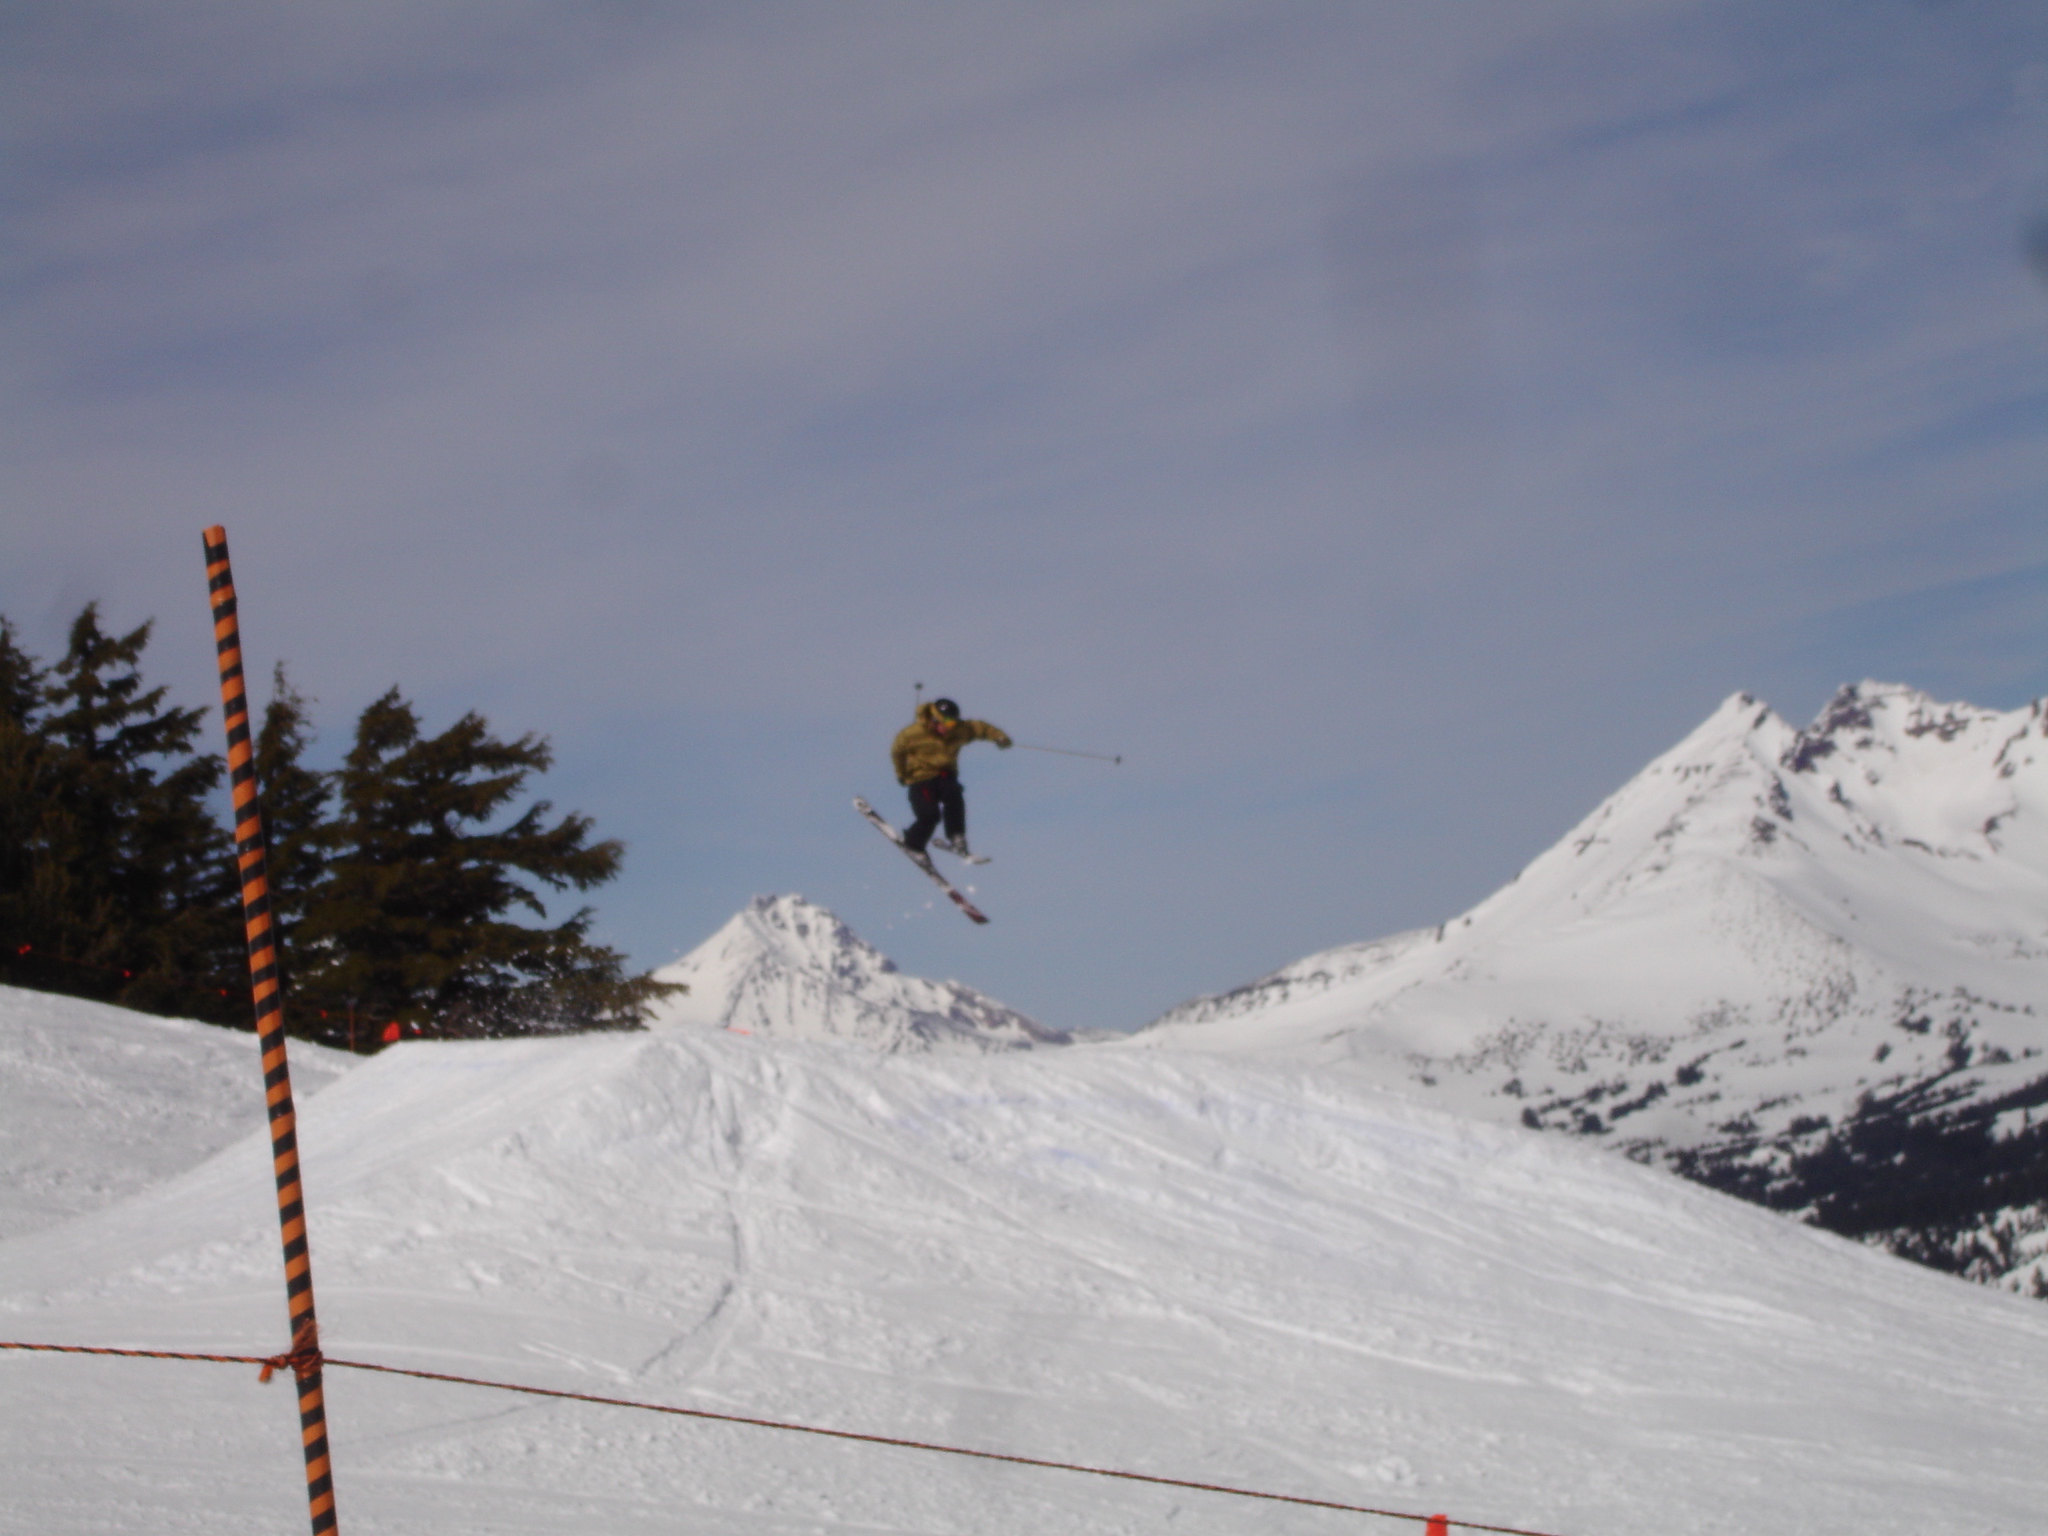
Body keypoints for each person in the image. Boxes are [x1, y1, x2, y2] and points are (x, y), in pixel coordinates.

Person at [890, 697, 1011, 857]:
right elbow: (897, 752)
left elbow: (980, 728)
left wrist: (999, 737)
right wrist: (902, 774)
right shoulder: (912, 734)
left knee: (953, 794)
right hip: (921, 779)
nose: (950, 728)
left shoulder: (959, 730)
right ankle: (913, 843)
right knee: (930, 816)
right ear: (934, 721)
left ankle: (956, 837)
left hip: (945, 776)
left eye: (953, 723)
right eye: (947, 724)